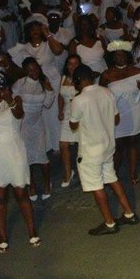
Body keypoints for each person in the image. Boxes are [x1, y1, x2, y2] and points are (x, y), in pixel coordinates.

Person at [68, 64, 140, 235]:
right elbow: (116, 119)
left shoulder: (79, 100)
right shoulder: (107, 92)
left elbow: (72, 124)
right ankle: (129, 214)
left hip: (91, 150)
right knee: (112, 179)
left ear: (78, 80)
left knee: (96, 186)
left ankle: (109, 223)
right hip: (108, 146)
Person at [0, 70, 40, 252]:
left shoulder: (15, 99)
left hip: (14, 151)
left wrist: (8, 99)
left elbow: (19, 115)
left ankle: (32, 232)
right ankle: (2, 236)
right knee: (0, 196)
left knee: (21, 193)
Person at [101, 41, 140, 183]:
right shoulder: (107, 75)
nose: (119, 58)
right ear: (113, 58)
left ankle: (133, 173)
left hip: (134, 110)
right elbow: (102, 97)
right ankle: (113, 174)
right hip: (116, 114)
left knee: (132, 142)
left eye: (122, 55)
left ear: (127, 56)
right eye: (116, 56)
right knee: (118, 145)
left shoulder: (137, 71)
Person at [13, 57, 55, 200]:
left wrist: (49, 89)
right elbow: (13, 101)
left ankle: (47, 184)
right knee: (27, 157)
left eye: (35, 68)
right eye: (30, 70)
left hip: (37, 123)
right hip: (23, 124)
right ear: (25, 71)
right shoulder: (20, 83)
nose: (33, 72)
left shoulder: (43, 83)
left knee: (42, 155)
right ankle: (31, 186)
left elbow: (48, 104)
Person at [57, 54, 83, 187]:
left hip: (80, 114)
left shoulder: (83, 78)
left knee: (81, 145)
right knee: (63, 145)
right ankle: (68, 173)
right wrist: (60, 111)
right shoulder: (63, 78)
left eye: (75, 63)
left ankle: (83, 172)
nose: (72, 66)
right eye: (70, 63)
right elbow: (60, 96)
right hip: (67, 113)